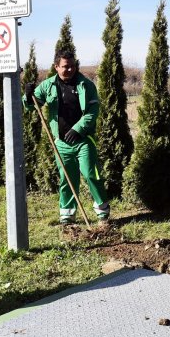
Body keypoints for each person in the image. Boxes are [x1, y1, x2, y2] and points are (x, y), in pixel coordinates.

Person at [24, 50, 110, 224]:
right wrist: (27, 95)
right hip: (61, 144)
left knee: (91, 175)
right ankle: (67, 215)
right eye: (65, 66)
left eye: (72, 66)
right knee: (67, 179)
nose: (69, 69)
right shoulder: (48, 86)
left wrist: (78, 129)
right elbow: (32, 106)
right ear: (56, 67)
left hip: (84, 140)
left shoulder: (86, 85)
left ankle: (102, 213)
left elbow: (93, 112)